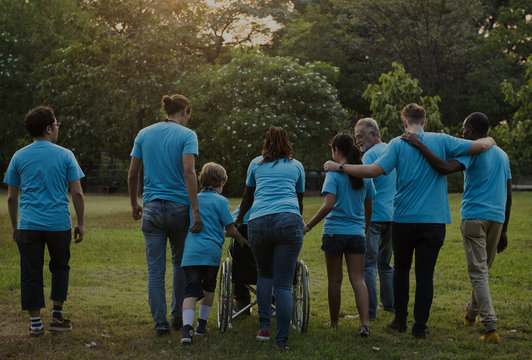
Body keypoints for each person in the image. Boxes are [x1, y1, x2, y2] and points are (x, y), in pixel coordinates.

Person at [323, 103, 495, 338]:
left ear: (405, 123)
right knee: (425, 274)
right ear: (425, 122)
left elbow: (373, 171)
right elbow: (481, 144)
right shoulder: (443, 140)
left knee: (401, 270)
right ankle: (420, 328)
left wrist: (341, 167)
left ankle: (400, 320)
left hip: (403, 220)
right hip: (435, 221)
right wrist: (491, 141)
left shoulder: (397, 143)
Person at [401, 112, 511, 344]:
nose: (462, 132)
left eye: (463, 128)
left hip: (474, 217)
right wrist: (504, 229)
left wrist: (420, 145)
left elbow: (443, 167)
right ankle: (471, 314)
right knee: (483, 270)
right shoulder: (502, 155)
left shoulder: (473, 151)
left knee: (478, 272)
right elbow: (509, 192)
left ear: (471, 129)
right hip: (497, 218)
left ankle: (490, 327)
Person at [4, 106, 85, 337]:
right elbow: (77, 193)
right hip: (59, 224)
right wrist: (80, 222)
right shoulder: (66, 154)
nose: (58, 128)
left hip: (28, 225)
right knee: (60, 267)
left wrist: (14, 226)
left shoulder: (19, 156)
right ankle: (57, 316)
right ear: (48, 129)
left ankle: (36, 323)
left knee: (30, 271)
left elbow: (11, 196)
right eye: (57, 125)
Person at [128, 94, 203, 335]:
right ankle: (178, 316)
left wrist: (134, 203)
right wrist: (195, 209)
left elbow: (132, 174)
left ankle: (160, 323)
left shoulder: (144, 133)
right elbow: (189, 173)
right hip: (179, 208)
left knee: (155, 270)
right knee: (180, 265)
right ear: (186, 111)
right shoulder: (187, 135)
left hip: (151, 208)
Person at [235, 126, 305, 351]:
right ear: (288, 143)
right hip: (289, 220)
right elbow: (299, 199)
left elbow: (248, 197)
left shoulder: (256, 164)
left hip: (259, 222)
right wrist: (296, 220)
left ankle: (264, 328)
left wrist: (238, 221)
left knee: (264, 274)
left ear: (266, 142)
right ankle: (281, 341)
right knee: (283, 285)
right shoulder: (297, 166)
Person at [304, 133, 374, 336]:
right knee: (358, 279)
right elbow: (369, 208)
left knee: (335, 280)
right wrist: (365, 229)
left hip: (334, 232)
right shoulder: (364, 174)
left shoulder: (333, 174)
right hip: (356, 234)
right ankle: (365, 324)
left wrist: (308, 226)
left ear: (336, 151)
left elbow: (329, 205)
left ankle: (334, 323)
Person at [180, 162, 248, 344]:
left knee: (190, 291)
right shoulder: (221, 201)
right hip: (211, 254)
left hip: (191, 254)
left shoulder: (193, 199)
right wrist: (242, 240)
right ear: (221, 182)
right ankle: (201, 325)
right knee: (208, 287)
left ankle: (186, 330)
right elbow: (230, 228)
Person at [354, 118, 396, 321]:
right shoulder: (392, 150)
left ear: (373, 133)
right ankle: (389, 305)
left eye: (360, 137)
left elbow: (362, 188)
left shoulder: (369, 156)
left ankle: (369, 313)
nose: (358, 142)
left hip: (373, 217)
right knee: (385, 264)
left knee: (368, 265)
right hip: (393, 216)